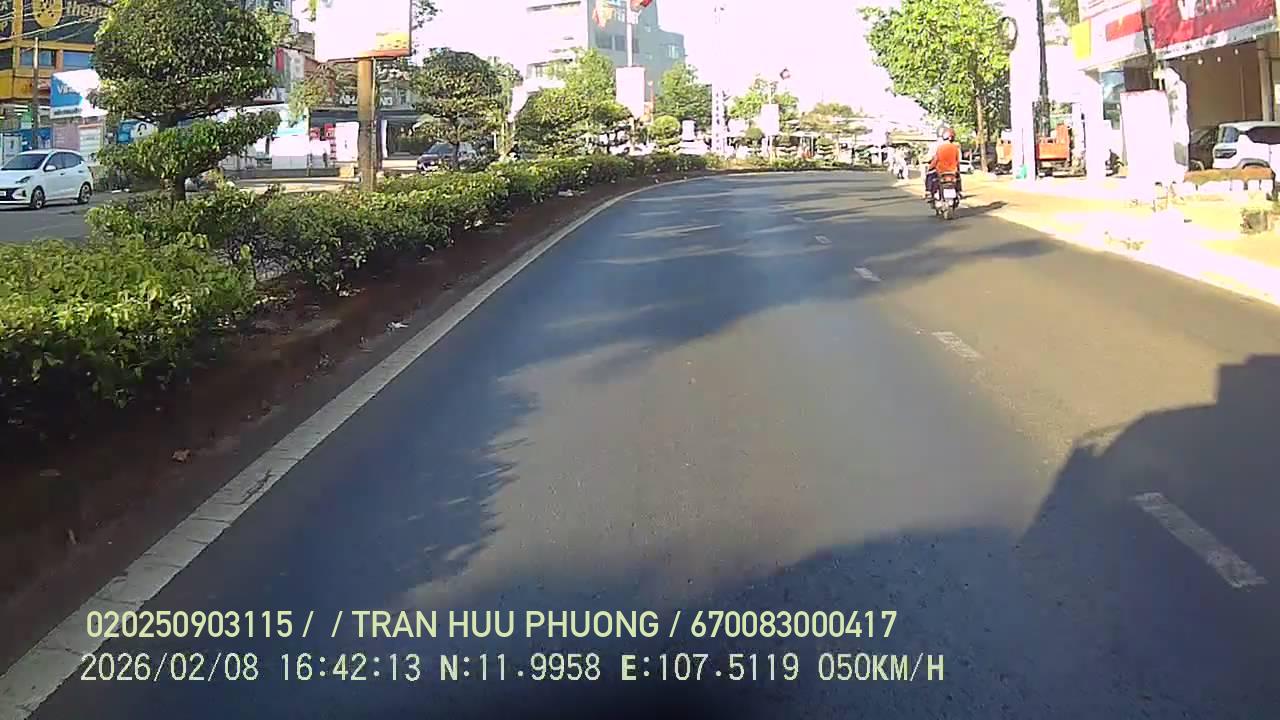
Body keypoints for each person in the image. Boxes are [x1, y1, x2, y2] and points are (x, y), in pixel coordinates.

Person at [924, 128, 962, 199]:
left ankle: (928, 192)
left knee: (929, 175)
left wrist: (930, 167)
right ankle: (959, 192)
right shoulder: (956, 148)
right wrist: (958, 170)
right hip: (953, 171)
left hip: (941, 171)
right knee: (958, 178)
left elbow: (936, 159)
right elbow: (957, 161)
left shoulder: (940, 147)